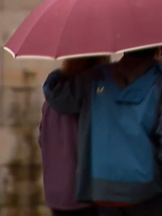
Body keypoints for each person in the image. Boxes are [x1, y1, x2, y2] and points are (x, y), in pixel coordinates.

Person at [43, 47, 162, 216]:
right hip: (150, 193)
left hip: (104, 191)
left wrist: (59, 74)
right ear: (159, 50)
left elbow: (59, 95)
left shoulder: (97, 78)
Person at [39, 56, 110, 216]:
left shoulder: (51, 99)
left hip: (56, 193)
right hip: (87, 192)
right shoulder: (93, 98)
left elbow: (42, 140)